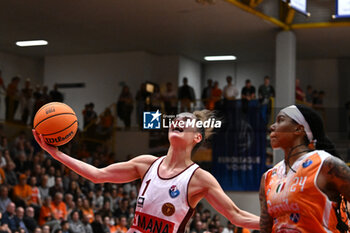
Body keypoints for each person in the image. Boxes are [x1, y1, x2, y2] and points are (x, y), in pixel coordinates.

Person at [32, 110, 260, 232]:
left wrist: (277, 224)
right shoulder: (146, 163)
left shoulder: (199, 178)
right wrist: (55, 153)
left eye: (186, 121)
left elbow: (236, 215)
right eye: (176, 119)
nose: (178, 121)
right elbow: (97, 174)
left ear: (197, 137)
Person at [259, 104, 350, 232]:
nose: (272, 127)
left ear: (298, 129)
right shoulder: (268, 177)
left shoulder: (325, 165)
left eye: (280, 120)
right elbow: (265, 228)